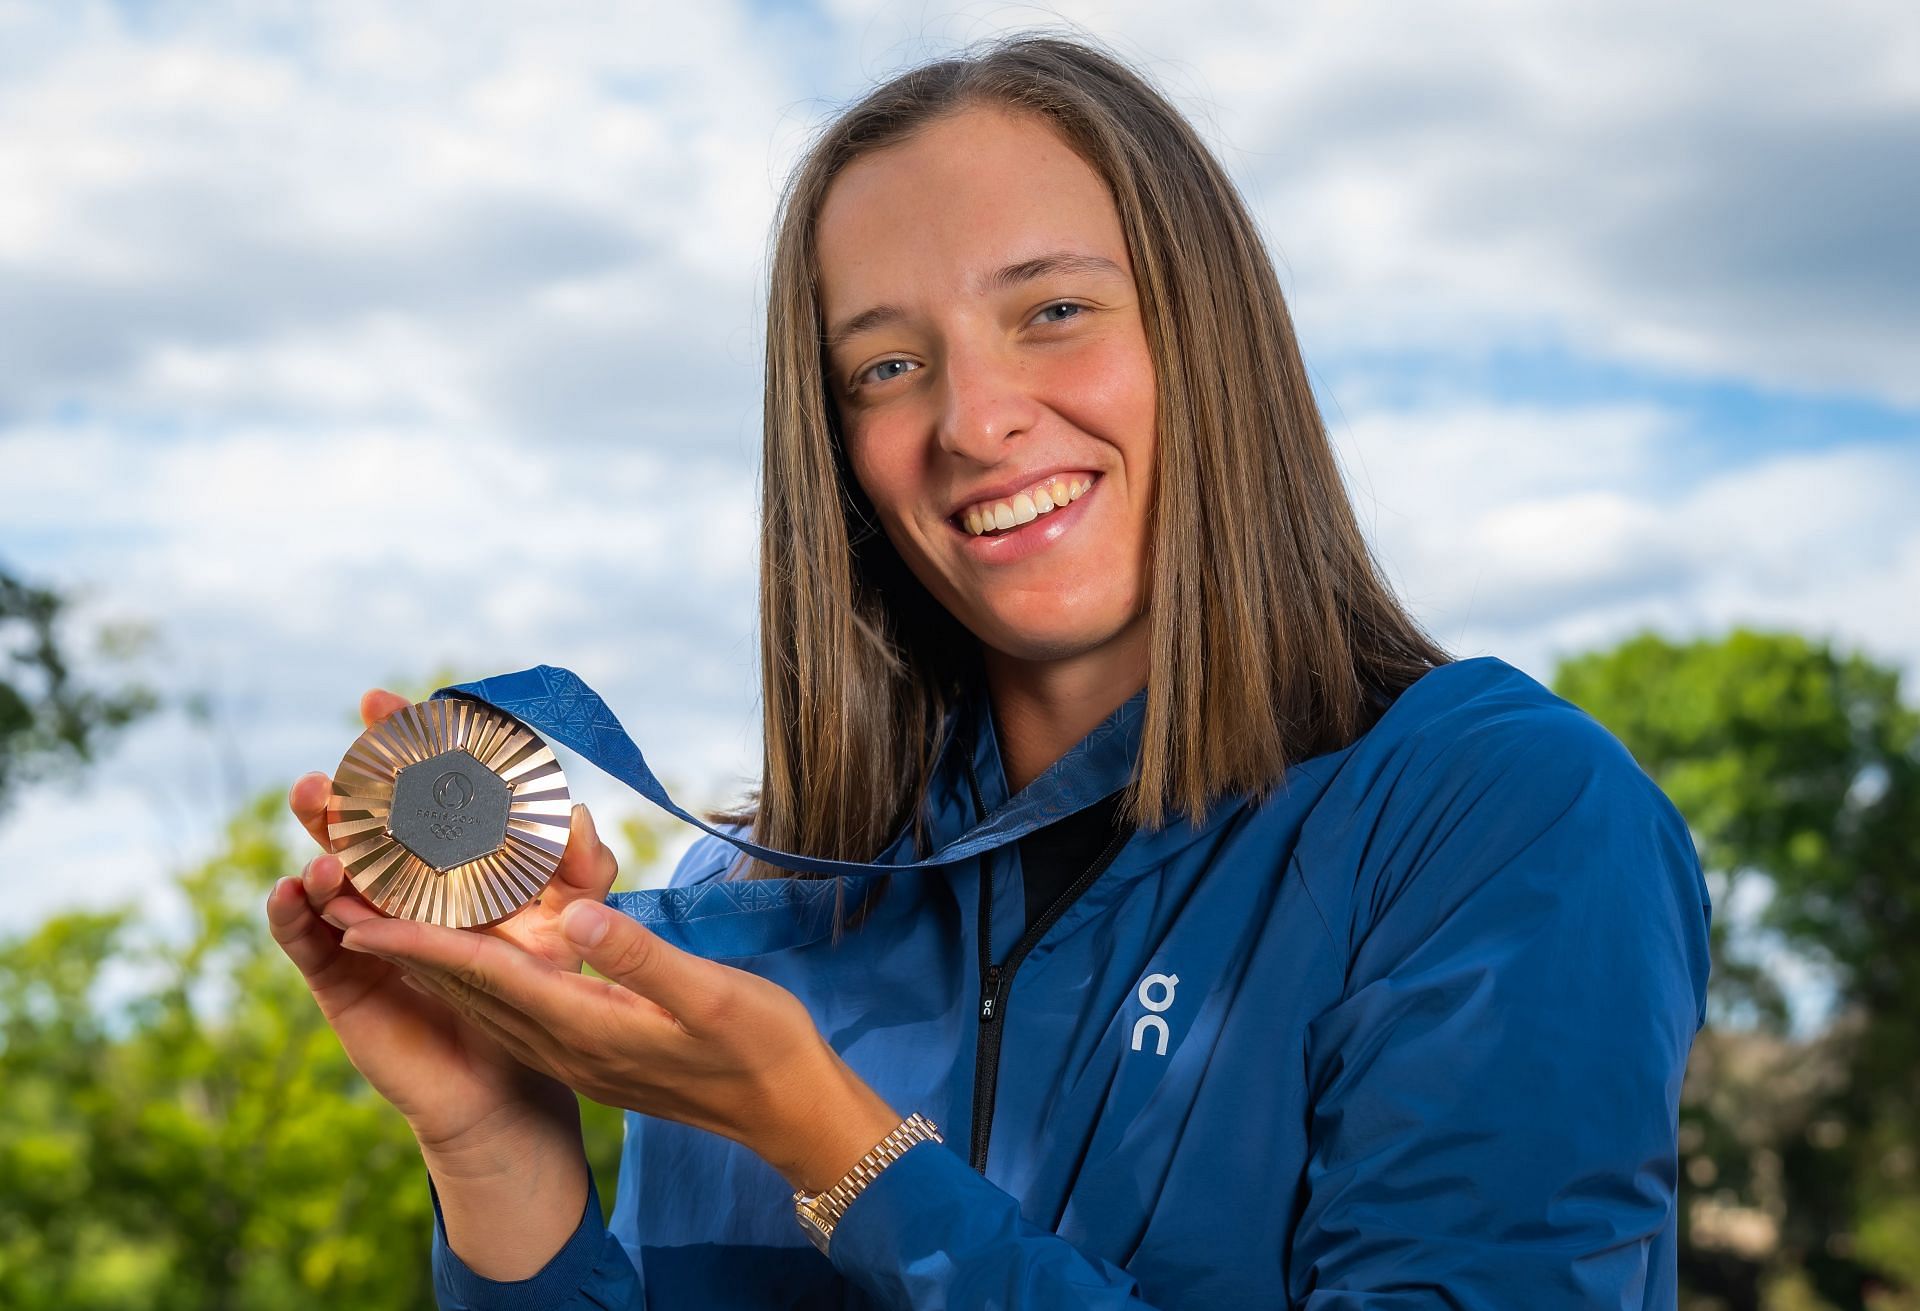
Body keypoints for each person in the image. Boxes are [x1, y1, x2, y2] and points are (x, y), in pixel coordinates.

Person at [267, 33, 1712, 1310]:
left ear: (1211, 340)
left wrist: (831, 1145)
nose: (973, 420)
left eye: (1055, 312)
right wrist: (495, 1144)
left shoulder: (1496, 816)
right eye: (885, 367)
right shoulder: (741, 917)